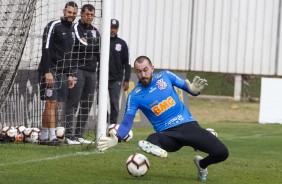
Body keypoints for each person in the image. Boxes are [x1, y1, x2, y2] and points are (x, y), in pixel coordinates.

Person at [97, 56, 229, 181]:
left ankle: (202, 164)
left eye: (145, 70)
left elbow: (188, 87)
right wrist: (117, 137)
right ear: (135, 73)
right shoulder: (134, 95)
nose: (143, 74)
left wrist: (194, 90)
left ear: (152, 68)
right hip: (168, 135)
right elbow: (127, 121)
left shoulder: (165, 76)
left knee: (222, 153)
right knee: (152, 139)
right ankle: (156, 147)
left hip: (189, 126)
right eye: (138, 71)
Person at [37, 1, 78, 146]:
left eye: (74, 13)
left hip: (62, 72)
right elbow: (46, 48)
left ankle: (43, 136)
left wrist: (69, 74)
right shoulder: (53, 25)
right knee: (51, 102)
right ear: (64, 11)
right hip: (50, 70)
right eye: (69, 12)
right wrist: (47, 71)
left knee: (52, 104)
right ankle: (53, 137)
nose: (71, 15)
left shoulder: (73, 30)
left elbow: (69, 54)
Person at [65, 4, 100, 145]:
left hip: (92, 72)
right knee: (73, 102)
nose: (89, 17)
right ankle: (68, 134)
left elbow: (99, 51)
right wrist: (93, 45)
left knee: (86, 104)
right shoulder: (75, 28)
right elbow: (80, 44)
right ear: (81, 14)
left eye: (92, 15)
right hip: (77, 69)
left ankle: (79, 134)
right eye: (87, 14)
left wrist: (92, 45)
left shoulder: (96, 31)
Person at [108, 19, 131, 125]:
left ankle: (113, 125)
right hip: (102, 79)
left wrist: (126, 79)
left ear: (117, 29)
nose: (112, 30)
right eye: (111, 27)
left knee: (114, 102)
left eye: (115, 28)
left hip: (116, 79)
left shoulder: (122, 44)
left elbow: (127, 62)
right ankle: (103, 124)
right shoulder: (101, 41)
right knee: (101, 104)